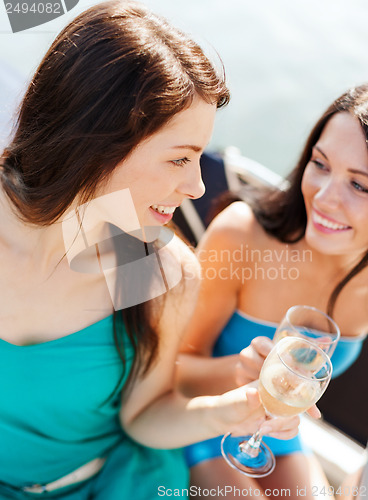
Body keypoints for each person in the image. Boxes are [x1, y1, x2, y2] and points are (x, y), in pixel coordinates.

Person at [0, 1, 303, 498]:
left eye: (199, 158)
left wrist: (233, 409)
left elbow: (143, 418)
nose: (197, 187)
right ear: (98, 144)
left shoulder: (147, 268)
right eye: (180, 158)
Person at [177, 84, 368, 498]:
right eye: (320, 164)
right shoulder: (242, 235)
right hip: (200, 423)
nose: (325, 197)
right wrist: (239, 372)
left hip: (279, 434)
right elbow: (171, 373)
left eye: (360, 186)